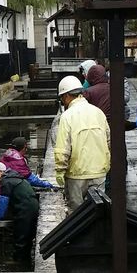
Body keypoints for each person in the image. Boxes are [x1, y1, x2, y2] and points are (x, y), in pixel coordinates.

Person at [54, 75, 110, 212]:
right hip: (99, 172)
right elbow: (109, 142)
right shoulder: (98, 112)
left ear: (67, 96)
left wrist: (60, 171)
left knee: (77, 215)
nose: (62, 102)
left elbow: (62, 149)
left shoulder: (67, 116)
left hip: (76, 175)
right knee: (98, 212)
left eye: (62, 98)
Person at [0, 162, 39, 261]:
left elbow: (3, 200)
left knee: (21, 237)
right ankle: (26, 261)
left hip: (25, 210)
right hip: (31, 207)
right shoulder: (14, 177)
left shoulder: (6, 182)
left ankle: (19, 264)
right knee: (27, 236)